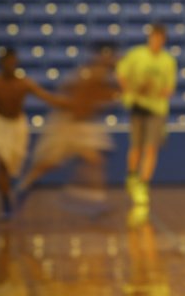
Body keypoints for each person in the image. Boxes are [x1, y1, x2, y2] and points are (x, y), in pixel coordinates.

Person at [15, 41, 120, 215]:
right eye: (111, 55)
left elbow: (97, 99)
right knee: (48, 164)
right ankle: (23, 188)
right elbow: (73, 98)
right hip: (67, 124)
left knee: (95, 160)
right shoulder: (91, 74)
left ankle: (92, 201)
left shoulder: (100, 75)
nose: (115, 58)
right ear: (102, 56)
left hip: (84, 124)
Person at [0, 48, 69, 219]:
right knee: (2, 162)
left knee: (12, 165)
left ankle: (14, 192)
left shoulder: (24, 83)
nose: (9, 65)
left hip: (17, 125)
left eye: (12, 62)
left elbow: (47, 97)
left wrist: (70, 104)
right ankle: (6, 203)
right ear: (1, 63)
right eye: (6, 62)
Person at [116, 24, 177, 206]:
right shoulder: (136, 55)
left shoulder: (168, 61)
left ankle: (143, 184)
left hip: (156, 109)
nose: (156, 41)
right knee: (136, 146)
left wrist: (154, 89)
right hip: (137, 106)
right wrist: (132, 89)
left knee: (151, 148)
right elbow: (121, 73)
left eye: (159, 38)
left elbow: (168, 89)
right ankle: (132, 176)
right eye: (154, 37)